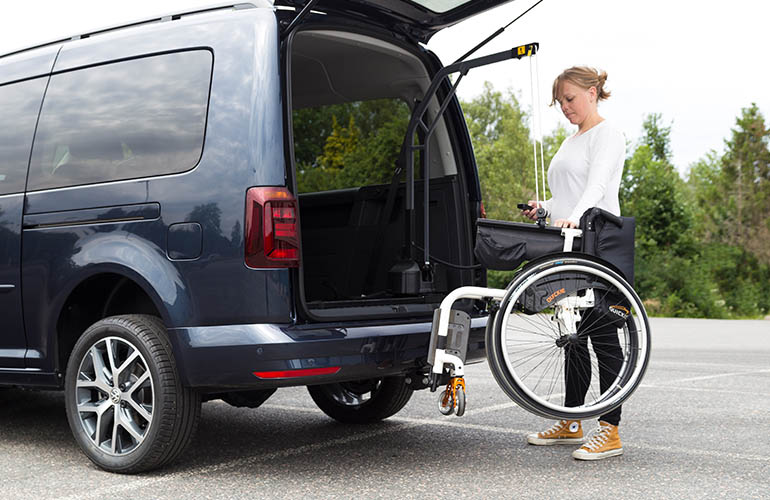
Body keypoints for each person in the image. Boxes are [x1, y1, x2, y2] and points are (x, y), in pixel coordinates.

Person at [520, 66, 627, 461]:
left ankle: (610, 429)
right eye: (560, 102)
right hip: (569, 242)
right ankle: (571, 419)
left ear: (593, 91)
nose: (565, 107)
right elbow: (568, 194)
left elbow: (597, 188)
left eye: (570, 98)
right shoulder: (572, 140)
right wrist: (545, 209)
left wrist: (577, 217)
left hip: (598, 240)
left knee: (602, 334)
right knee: (572, 335)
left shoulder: (608, 135)